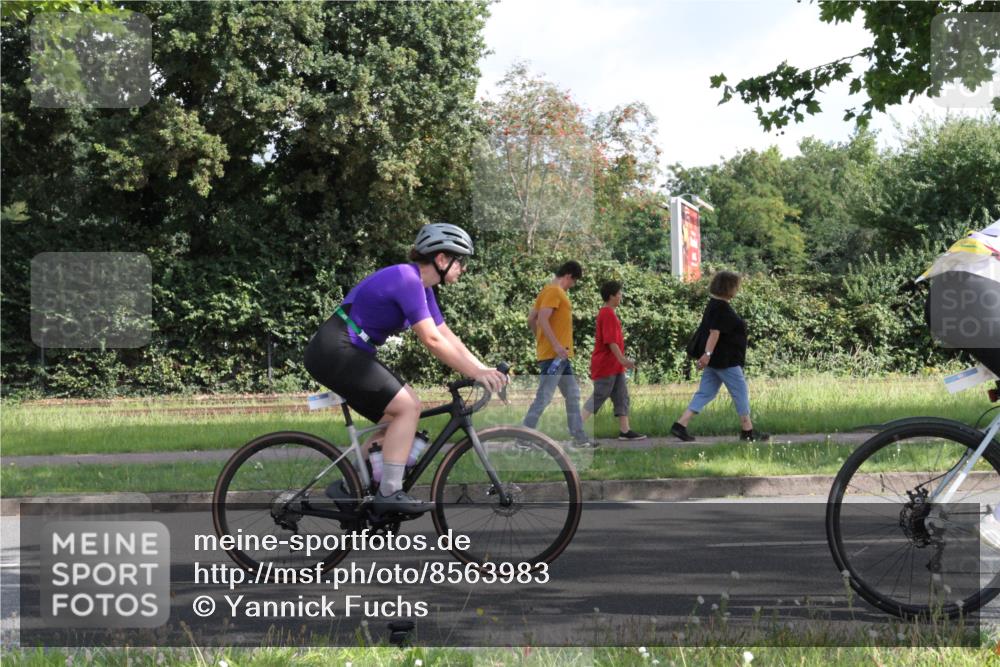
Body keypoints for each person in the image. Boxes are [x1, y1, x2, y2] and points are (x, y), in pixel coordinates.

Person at [304, 223, 507, 516]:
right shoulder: (407, 278)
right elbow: (432, 340)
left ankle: (348, 485)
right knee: (408, 406)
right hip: (335, 349)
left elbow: (448, 336)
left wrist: (483, 368)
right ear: (441, 259)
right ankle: (389, 492)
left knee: (396, 420)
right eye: (460, 260)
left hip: (348, 351)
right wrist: (477, 374)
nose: (463, 268)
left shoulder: (424, 290)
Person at [670, 270, 769, 443]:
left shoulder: (714, 304)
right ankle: (748, 430)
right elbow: (714, 333)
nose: (737, 289)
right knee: (740, 392)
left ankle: (680, 425)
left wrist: (708, 357)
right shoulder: (721, 308)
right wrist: (707, 355)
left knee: (705, 393)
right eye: (736, 286)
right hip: (726, 361)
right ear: (729, 287)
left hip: (716, 361)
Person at [523, 260, 594, 447]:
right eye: (574, 281)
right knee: (544, 397)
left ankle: (579, 437)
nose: (573, 285)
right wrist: (553, 345)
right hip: (555, 356)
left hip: (560, 357)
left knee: (573, 394)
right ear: (569, 276)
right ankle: (522, 438)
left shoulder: (547, 291)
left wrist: (542, 341)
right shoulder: (555, 291)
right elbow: (542, 319)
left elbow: (532, 319)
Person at [581, 281, 646, 440]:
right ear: (611, 296)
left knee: (621, 396)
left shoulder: (609, 312)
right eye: (618, 293)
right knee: (600, 395)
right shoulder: (607, 313)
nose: (620, 296)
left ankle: (625, 431)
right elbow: (610, 341)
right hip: (606, 365)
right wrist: (623, 360)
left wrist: (620, 362)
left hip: (614, 365)